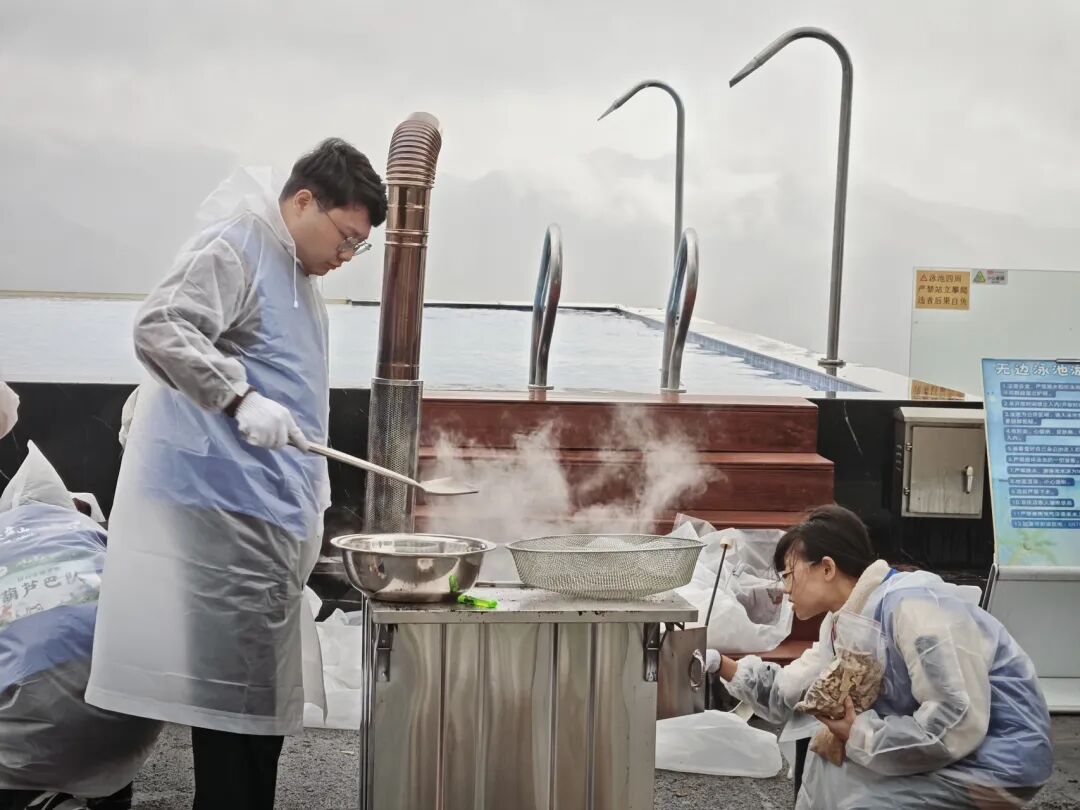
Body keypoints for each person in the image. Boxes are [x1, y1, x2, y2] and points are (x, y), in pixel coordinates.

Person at [86, 138, 388, 809]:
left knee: (255, 713)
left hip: (265, 518)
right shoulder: (240, 245)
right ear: (303, 201)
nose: (347, 255)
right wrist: (239, 398)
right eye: (346, 237)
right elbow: (161, 326)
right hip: (223, 518)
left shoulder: (297, 274)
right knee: (232, 713)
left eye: (359, 246)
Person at [715, 504, 1054, 809]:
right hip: (945, 752)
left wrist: (860, 733)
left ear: (827, 568)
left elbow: (957, 719)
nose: (785, 589)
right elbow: (789, 692)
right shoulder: (844, 621)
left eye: (788, 575)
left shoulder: (913, 607)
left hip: (994, 762)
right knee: (828, 766)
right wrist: (717, 663)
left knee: (859, 797)